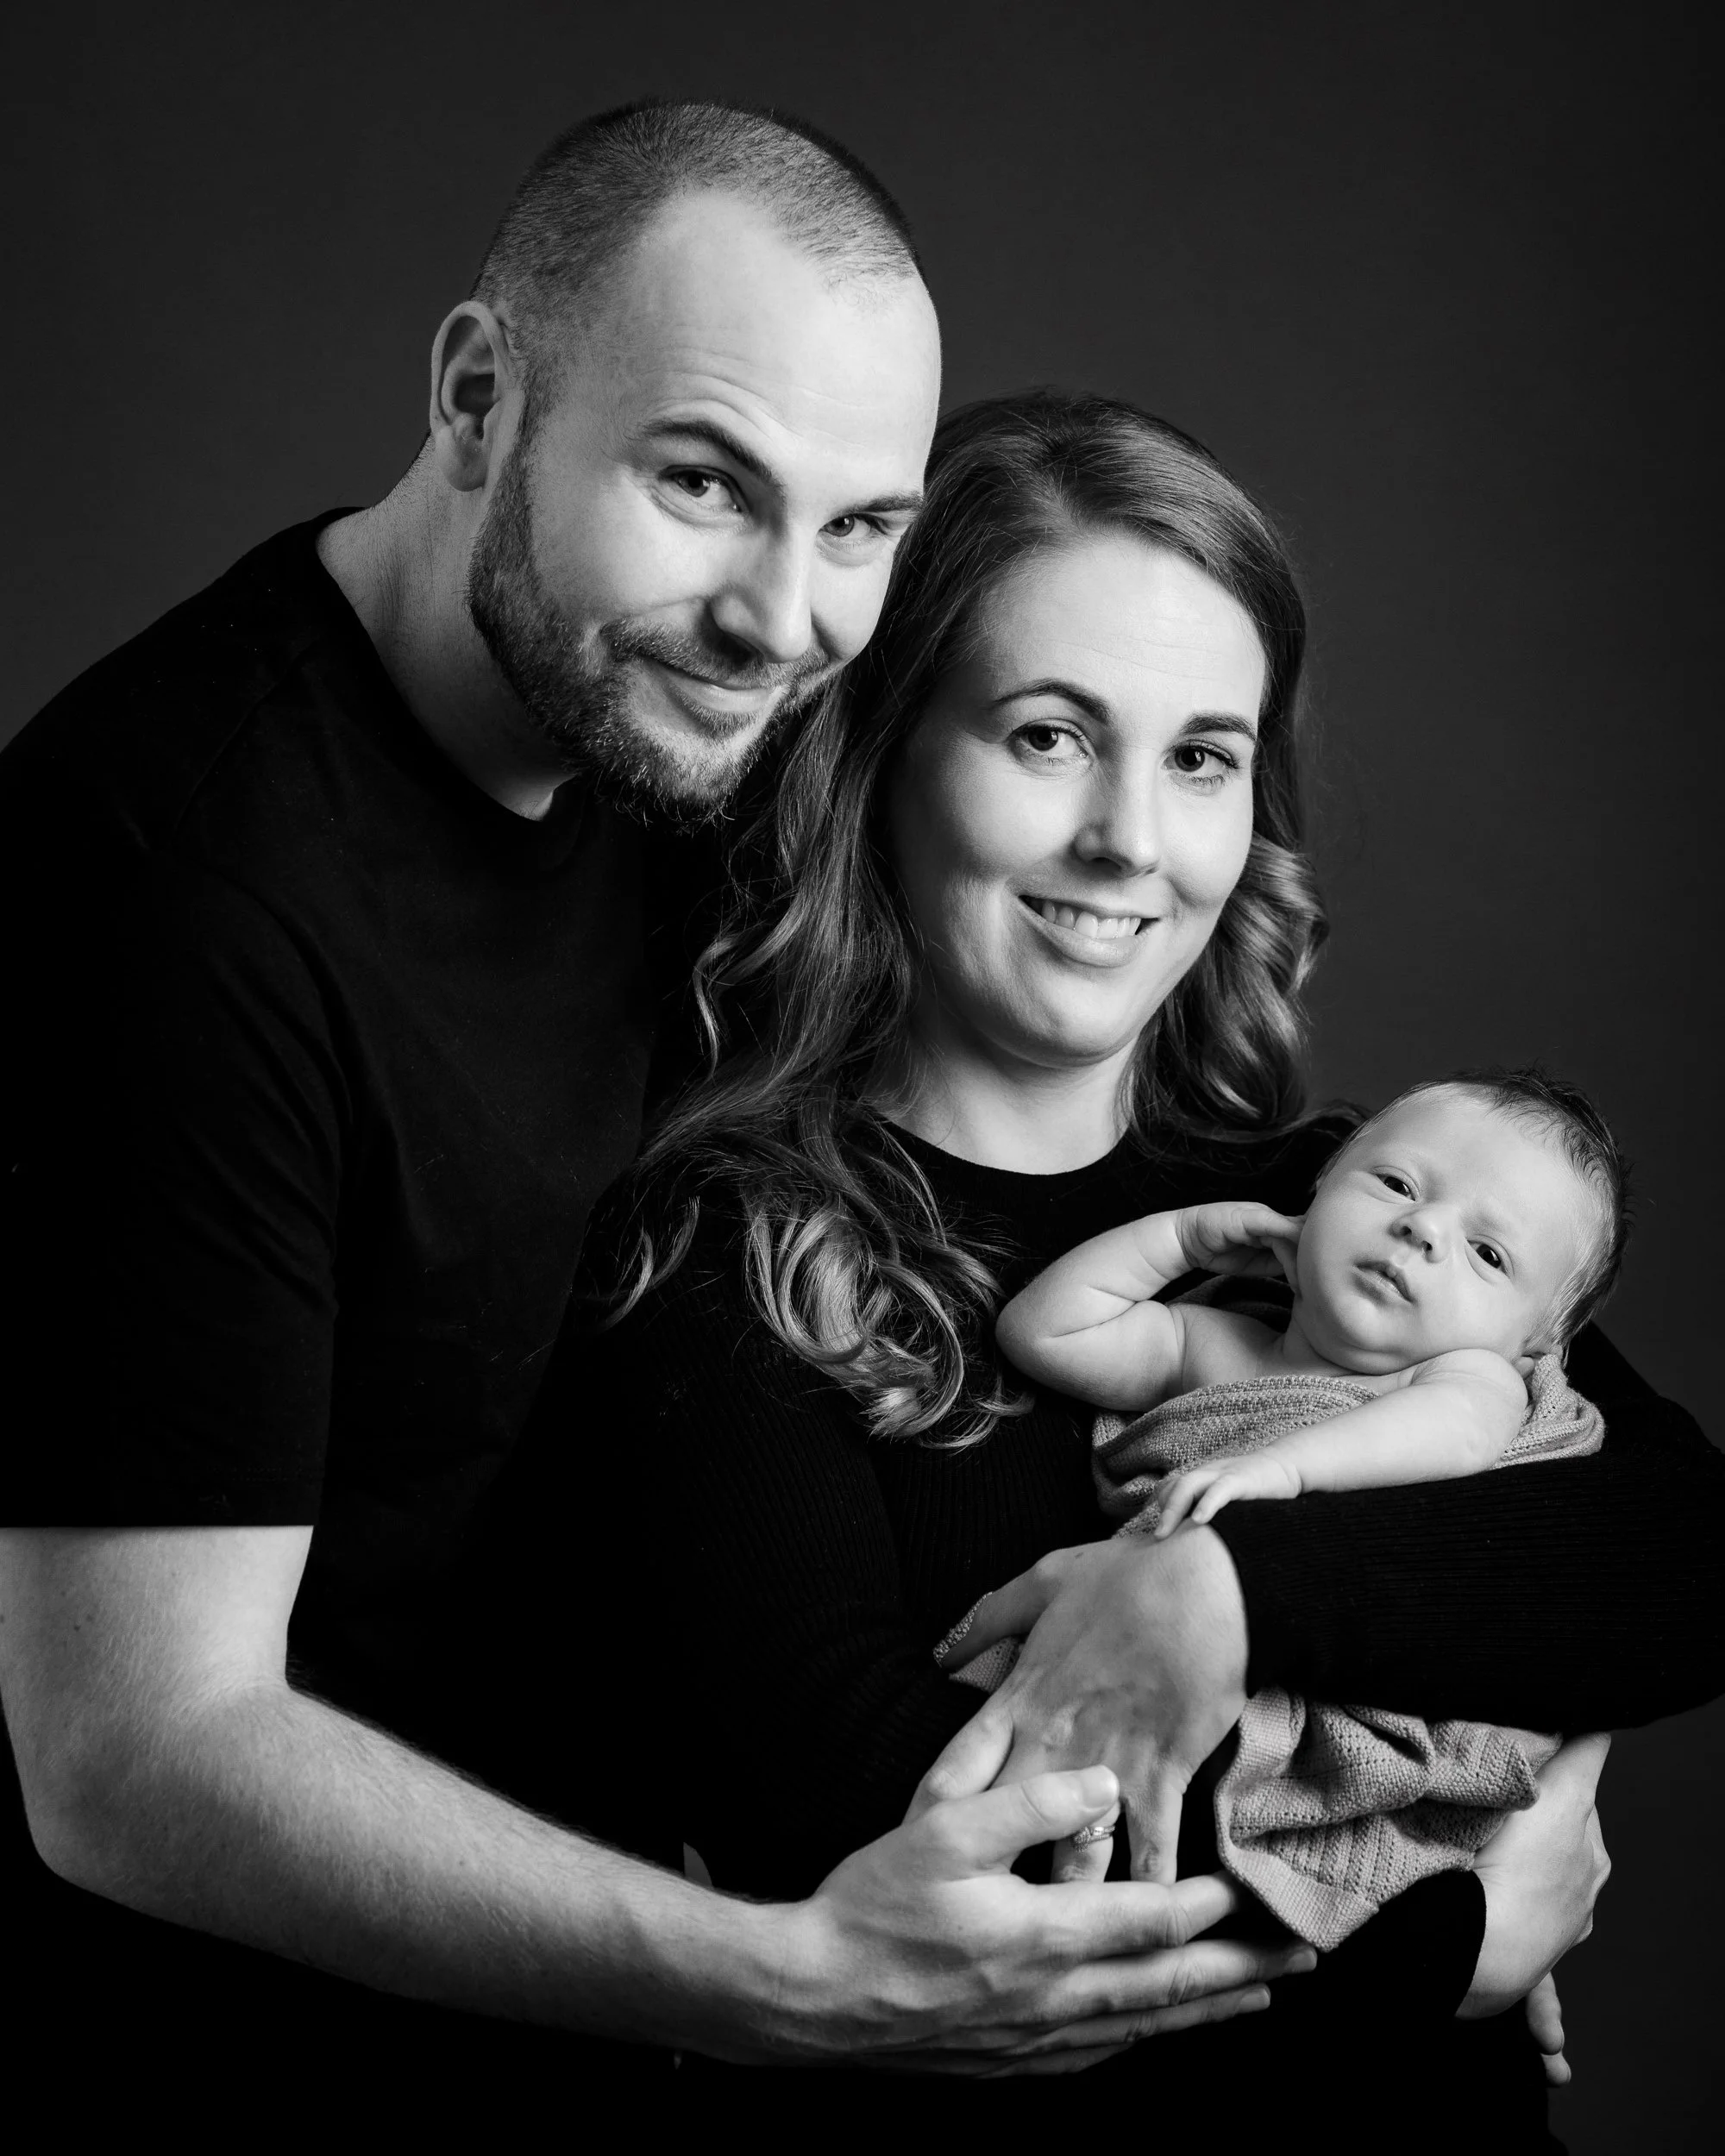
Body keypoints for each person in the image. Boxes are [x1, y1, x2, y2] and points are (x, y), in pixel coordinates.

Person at [0, 102, 1289, 2107]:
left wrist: (1484, 1808)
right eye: (703, 482)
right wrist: (777, 1982)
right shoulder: (178, 886)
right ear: (473, 397)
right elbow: (130, 1756)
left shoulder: (689, 748)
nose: (784, 621)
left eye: (859, 526)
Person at [482, 389, 1724, 2136]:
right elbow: (918, 1889)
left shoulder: (1332, 1201)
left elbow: (1686, 1549)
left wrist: (1222, 1593)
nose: (1130, 840)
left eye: (1201, 756)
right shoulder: (728, 1261)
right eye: (1051, 735)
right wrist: (1443, 1944)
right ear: (878, 755)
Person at [958, 1069, 1622, 1951]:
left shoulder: (1468, 1378)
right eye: (1395, 1183)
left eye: (1487, 1254)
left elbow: (1451, 1436)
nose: (1420, 1228)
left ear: (1536, 1339)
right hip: (1156, 1661)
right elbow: (1041, 1333)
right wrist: (1182, 1238)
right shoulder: (1220, 1341)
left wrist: (1285, 1468)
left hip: (1328, 1693)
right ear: (1316, 1192)